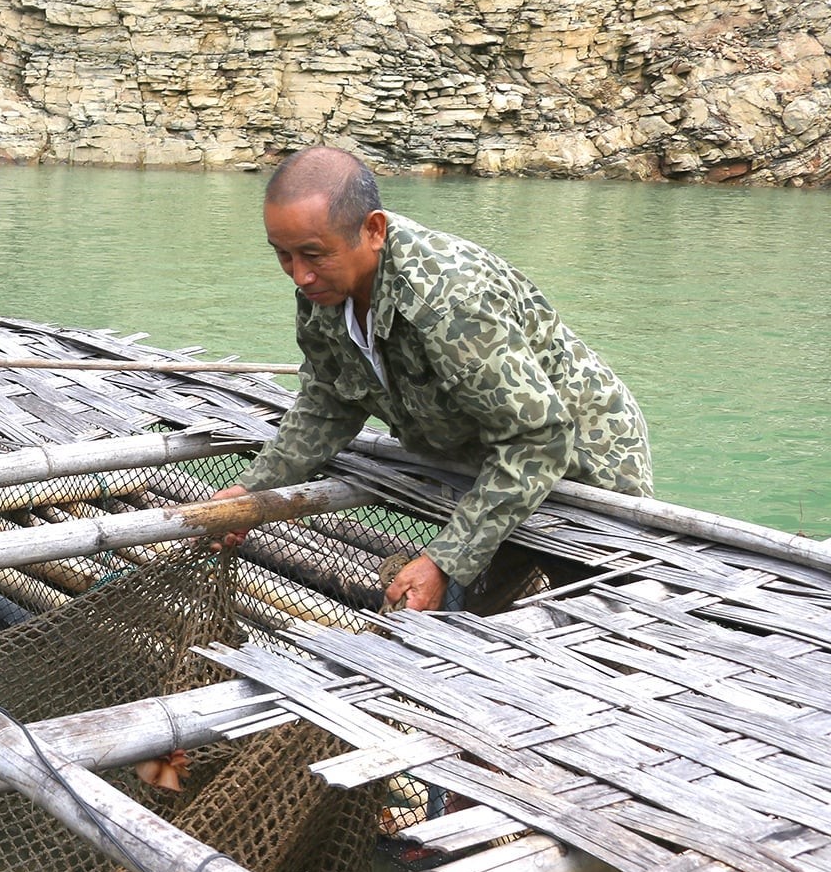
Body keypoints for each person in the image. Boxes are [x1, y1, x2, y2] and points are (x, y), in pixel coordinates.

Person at [210, 145, 652, 613]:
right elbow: (327, 400)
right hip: (484, 463)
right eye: (283, 255)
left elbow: (537, 439)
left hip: (583, 463)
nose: (299, 274)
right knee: (480, 603)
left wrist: (444, 562)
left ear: (373, 230)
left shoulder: (450, 302)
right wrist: (254, 488)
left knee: (597, 608)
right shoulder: (325, 288)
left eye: (312, 255)